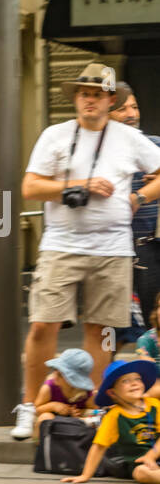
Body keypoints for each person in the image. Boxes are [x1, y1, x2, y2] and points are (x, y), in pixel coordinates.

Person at [12, 62, 160, 439]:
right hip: (61, 245)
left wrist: (139, 196)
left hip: (114, 248)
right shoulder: (55, 135)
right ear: (75, 98)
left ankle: (93, 407)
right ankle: (29, 406)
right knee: (43, 323)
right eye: (83, 93)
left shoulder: (129, 139)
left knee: (103, 330)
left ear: (111, 100)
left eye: (97, 94)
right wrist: (79, 184)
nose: (89, 100)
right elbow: (30, 187)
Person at [108, 81, 160, 344]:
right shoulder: (98, 156)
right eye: (122, 109)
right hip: (110, 253)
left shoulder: (155, 147)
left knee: (156, 329)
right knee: (107, 333)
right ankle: (106, 381)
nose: (131, 114)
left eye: (135, 107)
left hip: (151, 253)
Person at [62, 359, 160, 484]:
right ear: (112, 392)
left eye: (137, 379)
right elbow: (99, 447)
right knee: (140, 473)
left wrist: (151, 456)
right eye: (126, 381)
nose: (134, 383)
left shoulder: (154, 405)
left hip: (156, 454)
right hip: (139, 463)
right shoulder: (114, 416)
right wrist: (85, 475)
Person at [33, 348, 96, 429]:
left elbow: (95, 411)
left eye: (60, 374)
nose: (54, 374)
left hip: (73, 427)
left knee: (91, 417)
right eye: (55, 369)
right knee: (45, 417)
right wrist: (53, 406)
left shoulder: (85, 394)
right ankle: (45, 441)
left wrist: (78, 412)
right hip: (52, 426)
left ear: (74, 381)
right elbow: (36, 410)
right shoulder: (49, 388)